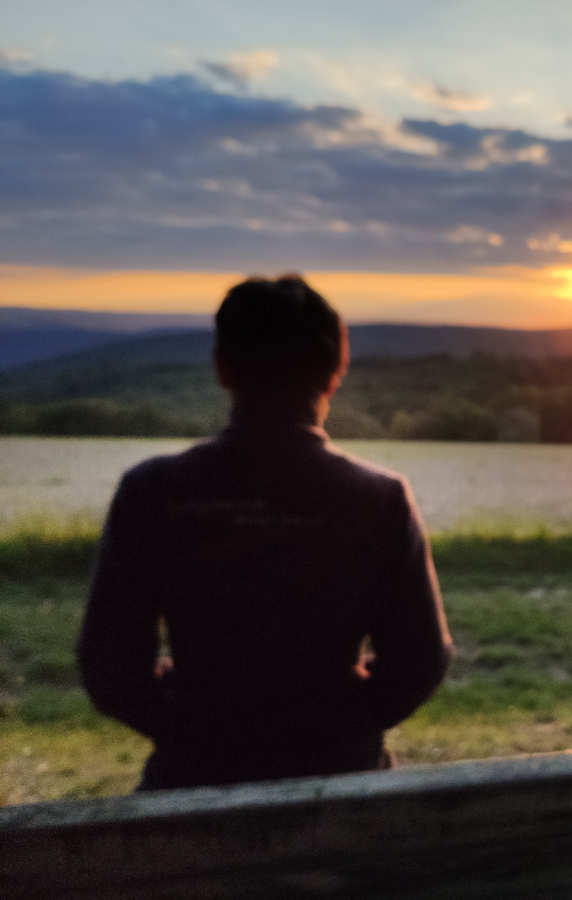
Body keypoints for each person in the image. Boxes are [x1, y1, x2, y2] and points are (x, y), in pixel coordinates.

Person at [78, 274, 453, 790]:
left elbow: (109, 668)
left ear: (222, 367)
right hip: (343, 789)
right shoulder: (380, 499)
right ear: (334, 371)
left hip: (191, 786)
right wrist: (337, 726)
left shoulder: (152, 492)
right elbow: (422, 660)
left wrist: (196, 728)